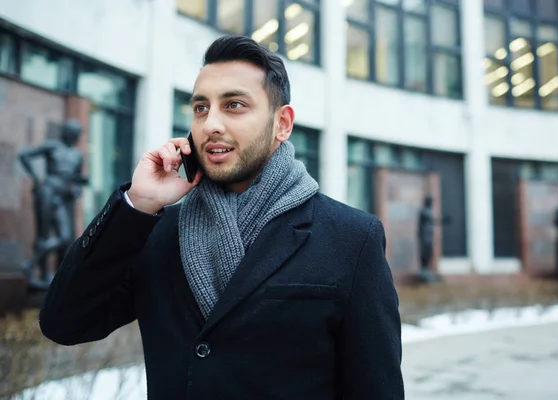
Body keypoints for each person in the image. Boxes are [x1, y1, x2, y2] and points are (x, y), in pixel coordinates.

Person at [39, 35, 404, 399]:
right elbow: (65, 323)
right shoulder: (158, 232)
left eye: (234, 105)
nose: (211, 123)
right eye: (201, 108)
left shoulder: (351, 237)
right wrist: (137, 203)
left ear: (282, 123)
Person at [19, 119, 88, 289]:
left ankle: (30, 263)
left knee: (65, 237)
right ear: (67, 132)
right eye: (74, 133)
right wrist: (36, 179)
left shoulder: (77, 154)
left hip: (63, 197)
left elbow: (78, 177)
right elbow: (24, 154)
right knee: (43, 233)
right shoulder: (52, 146)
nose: (76, 136)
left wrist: (78, 187)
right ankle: (41, 275)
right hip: (48, 192)